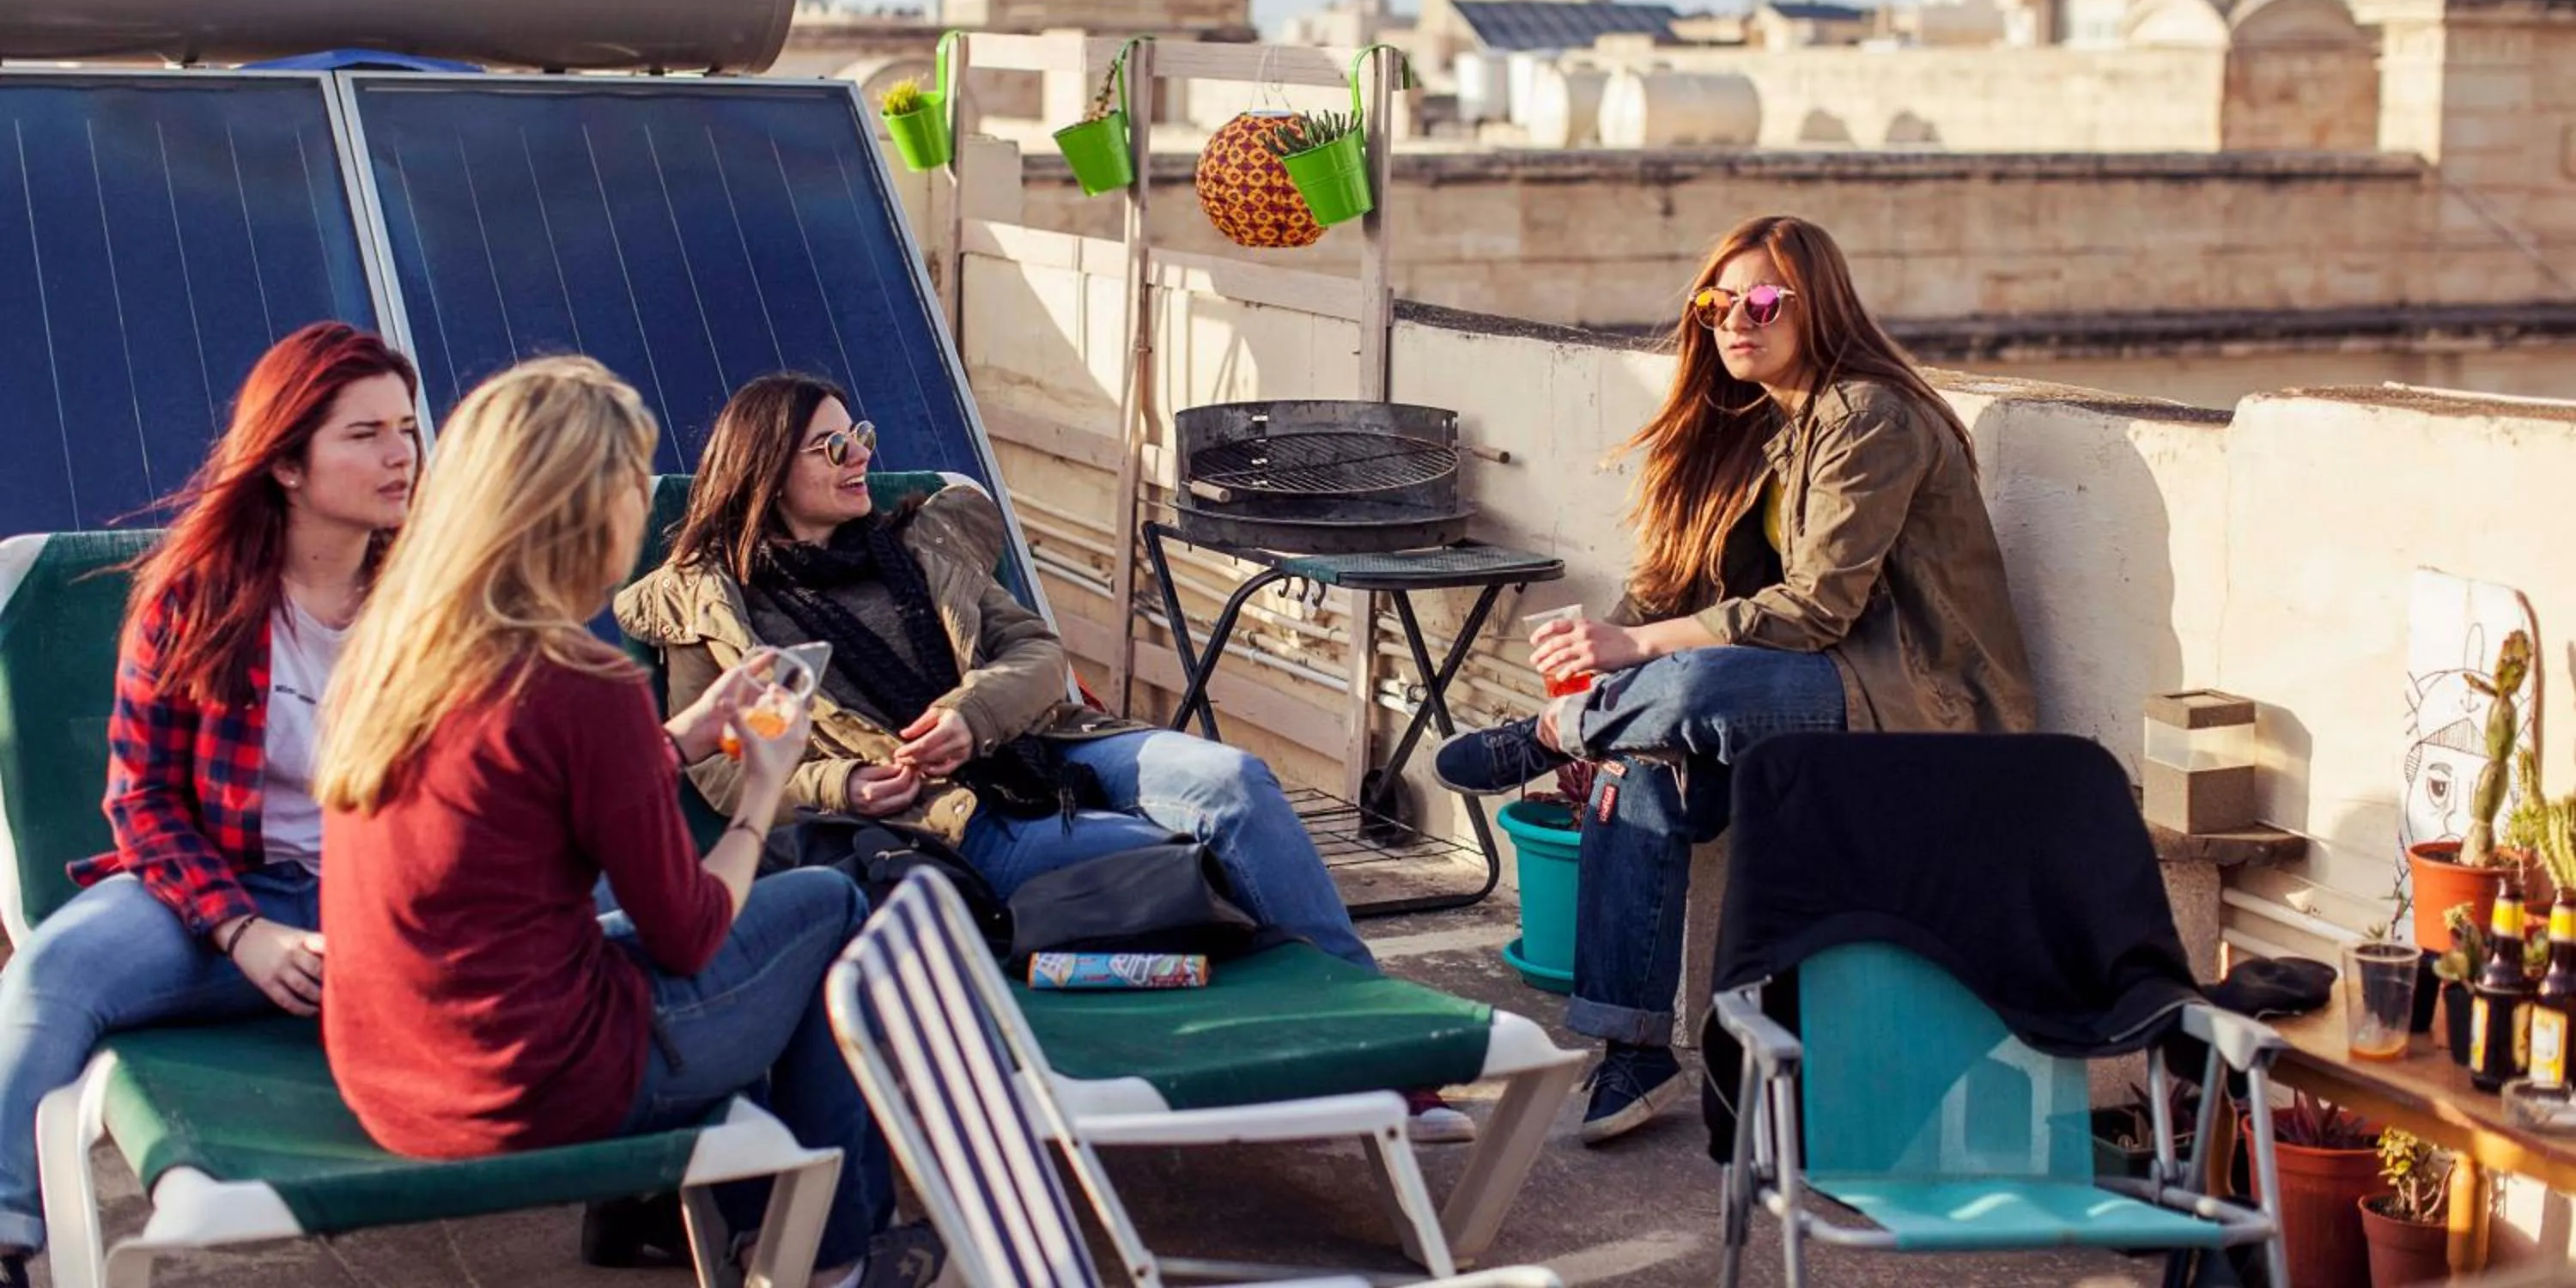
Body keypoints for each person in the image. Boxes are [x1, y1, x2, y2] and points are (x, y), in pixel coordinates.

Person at [615, 372, 1475, 1145]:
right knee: (1166, 864)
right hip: (944, 817)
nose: (860, 458)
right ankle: (1276, 1037)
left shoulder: (918, 545)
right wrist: (845, 780)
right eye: (834, 445)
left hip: (1047, 745)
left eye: (863, 435)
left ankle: (1383, 1046)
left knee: (1236, 783)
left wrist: (971, 713)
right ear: (768, 465)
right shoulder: (717, 605)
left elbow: (1035, 651)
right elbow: (725, 770)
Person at [313, 356, 938, 1288]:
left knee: (722, 937)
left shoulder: (402, 646)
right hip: (530, 1086)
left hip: (392, 1075)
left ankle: (761, 1228)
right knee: (826, 906)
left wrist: (686, 735)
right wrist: (765, 782)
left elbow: (520, 791)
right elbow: (688, 932)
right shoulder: (577, 680)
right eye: (628, 486)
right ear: (585, 509)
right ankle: (832, 1259)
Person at [1437, 214, 2038, 1144]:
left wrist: (1617, 668)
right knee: (1641, 766)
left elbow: (1815, 613)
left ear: (1820, 306)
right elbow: (1667, 583)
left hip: (1919, 704)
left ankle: (1547, 739)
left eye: (1761, 301)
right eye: (1717, 303)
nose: (1734, 321)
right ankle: (1633, 1052)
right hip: (1814, 695)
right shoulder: (1757, 426)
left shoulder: (1869, 415)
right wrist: (1605, 652)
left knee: (1691, 689)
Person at [0, 324, 419, 1286]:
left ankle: (650, 1185)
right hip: (226, 895)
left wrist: (686, 740)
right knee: (54, 968)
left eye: (404, 427)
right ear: (285, 461)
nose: (400, 452)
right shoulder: (198, 597)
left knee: (614, 926)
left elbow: (531, 765)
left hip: (393, 899)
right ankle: (6, 1228)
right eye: (364, 433)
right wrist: (240, 928)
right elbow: (139, 798)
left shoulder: (435, 591)